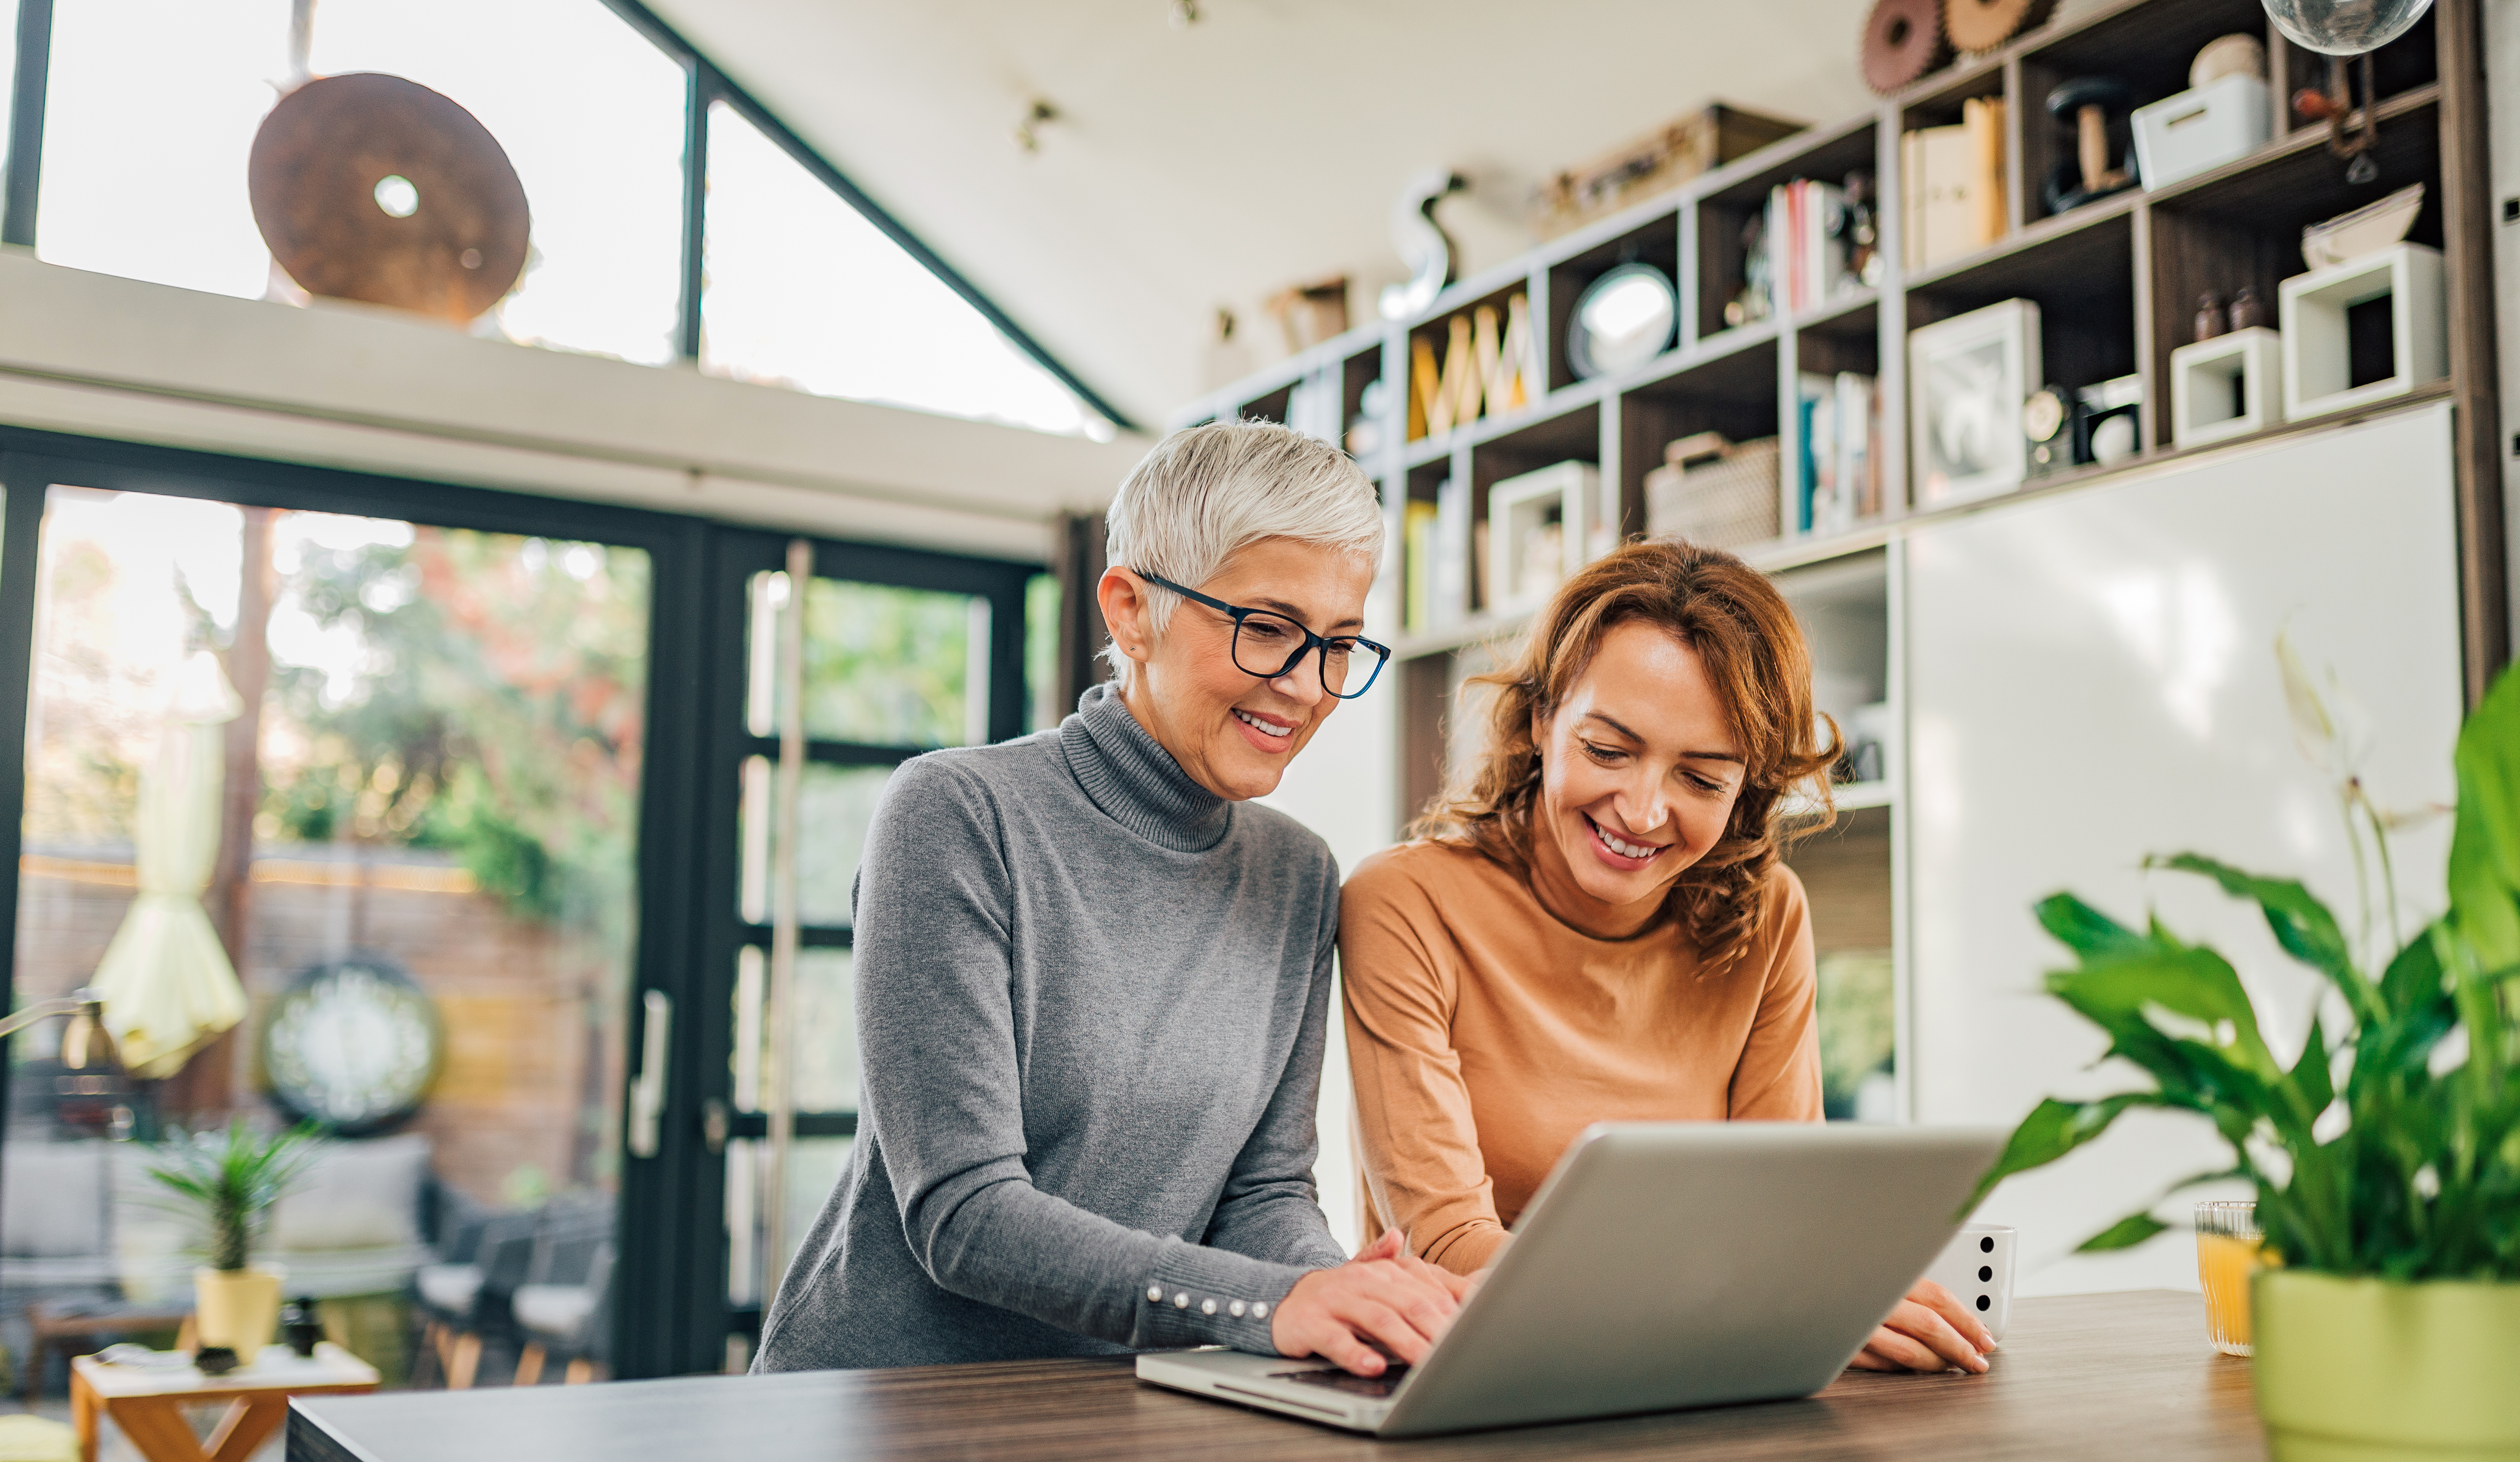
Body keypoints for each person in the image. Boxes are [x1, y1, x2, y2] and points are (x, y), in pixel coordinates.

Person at [757, 421, 1461, 1379]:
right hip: (883, 1414)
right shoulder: (956, 815)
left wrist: (1351, 1298)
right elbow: (963, 1216)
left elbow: (1261, 1194)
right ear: (1130, 610)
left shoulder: (1298, 876)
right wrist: (1278, 1302)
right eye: (1266, 629)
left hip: (1112, 1410)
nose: (1304, 687)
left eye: (1338, 644)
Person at [1340, 539, 1994, 1375]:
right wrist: (1775, 1302)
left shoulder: (1767, 917)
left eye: (1701, 777)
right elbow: (1445, 1246)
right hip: (1475, 1388)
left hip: (1691, 1390)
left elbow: (1782, 1218)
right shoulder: (1405, 903)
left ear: (1747, 786)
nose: (1642, 810)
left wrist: (1824, 1290)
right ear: (1542, 720)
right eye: (1608, 750)